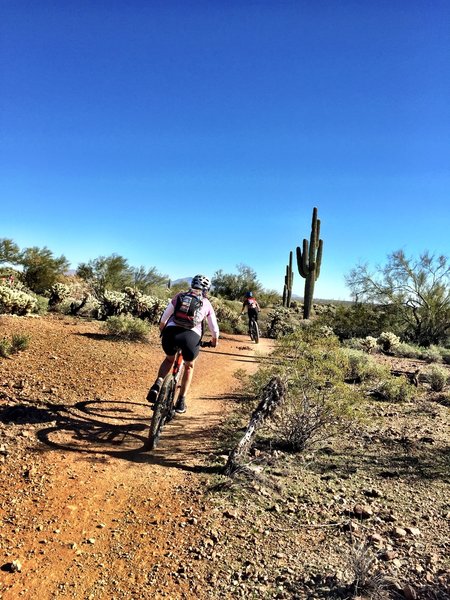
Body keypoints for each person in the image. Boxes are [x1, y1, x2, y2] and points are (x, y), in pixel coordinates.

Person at [147, 274, 219, 414]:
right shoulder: (206, 303)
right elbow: (214, 329)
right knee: (189, 366)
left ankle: (158, 383)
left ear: (192, 285)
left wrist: (163, 329)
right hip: (190, 338)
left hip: (170, 334)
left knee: (169, 359)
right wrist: (214, 341)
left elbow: (164, 317)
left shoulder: (179, 296)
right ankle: (181, 401)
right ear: (206, 289)